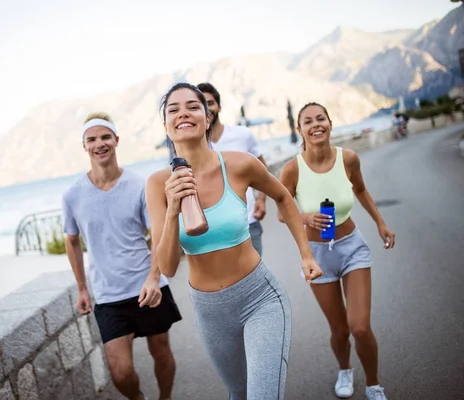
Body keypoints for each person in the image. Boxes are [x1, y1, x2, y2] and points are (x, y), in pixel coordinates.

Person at [145, 82, 323, 400]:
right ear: (165, 127)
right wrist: (173, 211)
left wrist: (307, 255)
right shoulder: (158, 184)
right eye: (173, 109)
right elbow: (169, 267)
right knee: (238, 393)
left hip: (260, 298)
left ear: (207, 116)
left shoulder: (240, 164)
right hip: (209, 310)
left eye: (193, 106)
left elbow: (283, 196)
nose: (183, 113)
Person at [278, 102, 396, 400]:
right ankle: (345, 369)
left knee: (359, 327)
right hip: (317, 254)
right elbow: (282, 212)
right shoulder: (292, 169)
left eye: (321, 119)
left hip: (352, 247)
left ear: (330, 124)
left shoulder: (349, 159)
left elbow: (360, 189)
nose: (316, 124)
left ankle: (373, 384)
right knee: (340, 330)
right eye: (308, 121)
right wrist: (305, 217)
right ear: (299, 130)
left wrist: (381, 223)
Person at [62, 112, 182, 400]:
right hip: (107, 296)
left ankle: (165, 398)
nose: (99, 144)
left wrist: (154, 277)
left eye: (105, 137)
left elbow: (158, 234)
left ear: (116, 140)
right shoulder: (72, 195)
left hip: (147, 286)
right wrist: (81, 287)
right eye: (92, 139)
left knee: (161, 353)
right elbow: (72, 240)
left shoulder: (140, 185)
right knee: (121, 373)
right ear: (84, 146)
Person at [196, 82, 268, 256]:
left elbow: (262, 168)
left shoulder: (242, 135)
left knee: (256, 276)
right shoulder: (195, 146)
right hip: (214, 229)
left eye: (210, 103)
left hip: (248, 220)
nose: (207, 109)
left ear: (219, 106)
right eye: (201, 105)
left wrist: (261, 200)